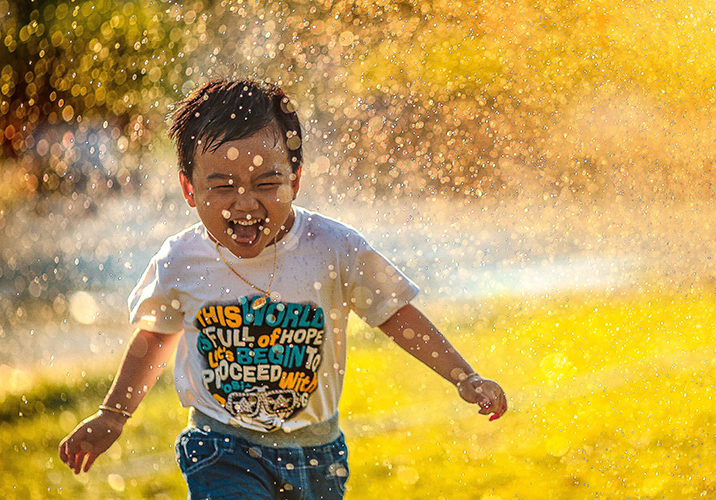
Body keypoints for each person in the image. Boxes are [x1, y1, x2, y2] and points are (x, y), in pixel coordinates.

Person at [58, 78, 507, 499]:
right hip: (220, 446)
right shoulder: (181, 260)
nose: (245, 204)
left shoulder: (333, 248)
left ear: (295, 180)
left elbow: (394, 313)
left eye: (266, 184)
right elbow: (155, 336)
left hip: (318, 454)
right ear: (189, 189)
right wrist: (113, 414)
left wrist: (464, 375)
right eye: (222, 187)